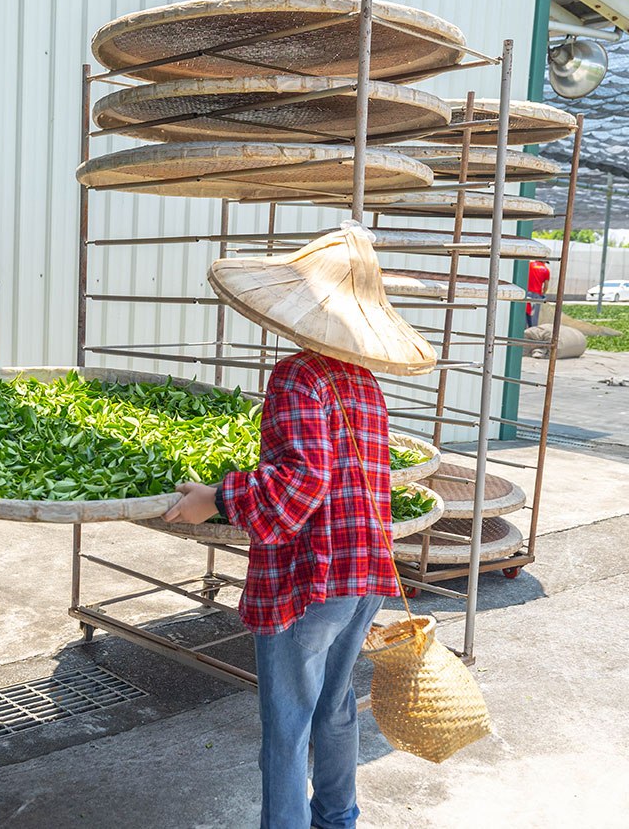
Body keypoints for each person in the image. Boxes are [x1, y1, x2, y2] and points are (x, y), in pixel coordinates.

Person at [165, 225, 427, 828]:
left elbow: (301, 484)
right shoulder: (362, 381)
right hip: (364, 571)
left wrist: (218, 497)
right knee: (335, 706)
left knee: (287, 725)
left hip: (315, 576)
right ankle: (337, 819)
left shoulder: (296, 377)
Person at [526, 258, 550, 327]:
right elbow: (546, 285)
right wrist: (543, 294)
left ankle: (522, 330)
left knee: (525, 312)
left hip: (526, 292)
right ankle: (532, 330)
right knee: (534, 315)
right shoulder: (546, 270)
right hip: (537, 294)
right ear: (544, 260)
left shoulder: (529, 265)